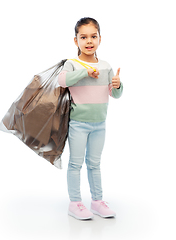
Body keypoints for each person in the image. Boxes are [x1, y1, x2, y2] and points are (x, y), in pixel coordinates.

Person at [58, 17, 123, 220]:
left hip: (99, 124)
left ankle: (97, 202)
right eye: (83, 37)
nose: (88, 41)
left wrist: (118, 84)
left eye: (93, 36)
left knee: (94, 163)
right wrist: (84, 73)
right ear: (75, 40)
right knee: (75, 164)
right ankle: (75, 203)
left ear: (100, 39)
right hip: (77, 124)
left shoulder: (105, 66)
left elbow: (115, 95)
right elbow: (62, 81)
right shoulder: (72, 64)